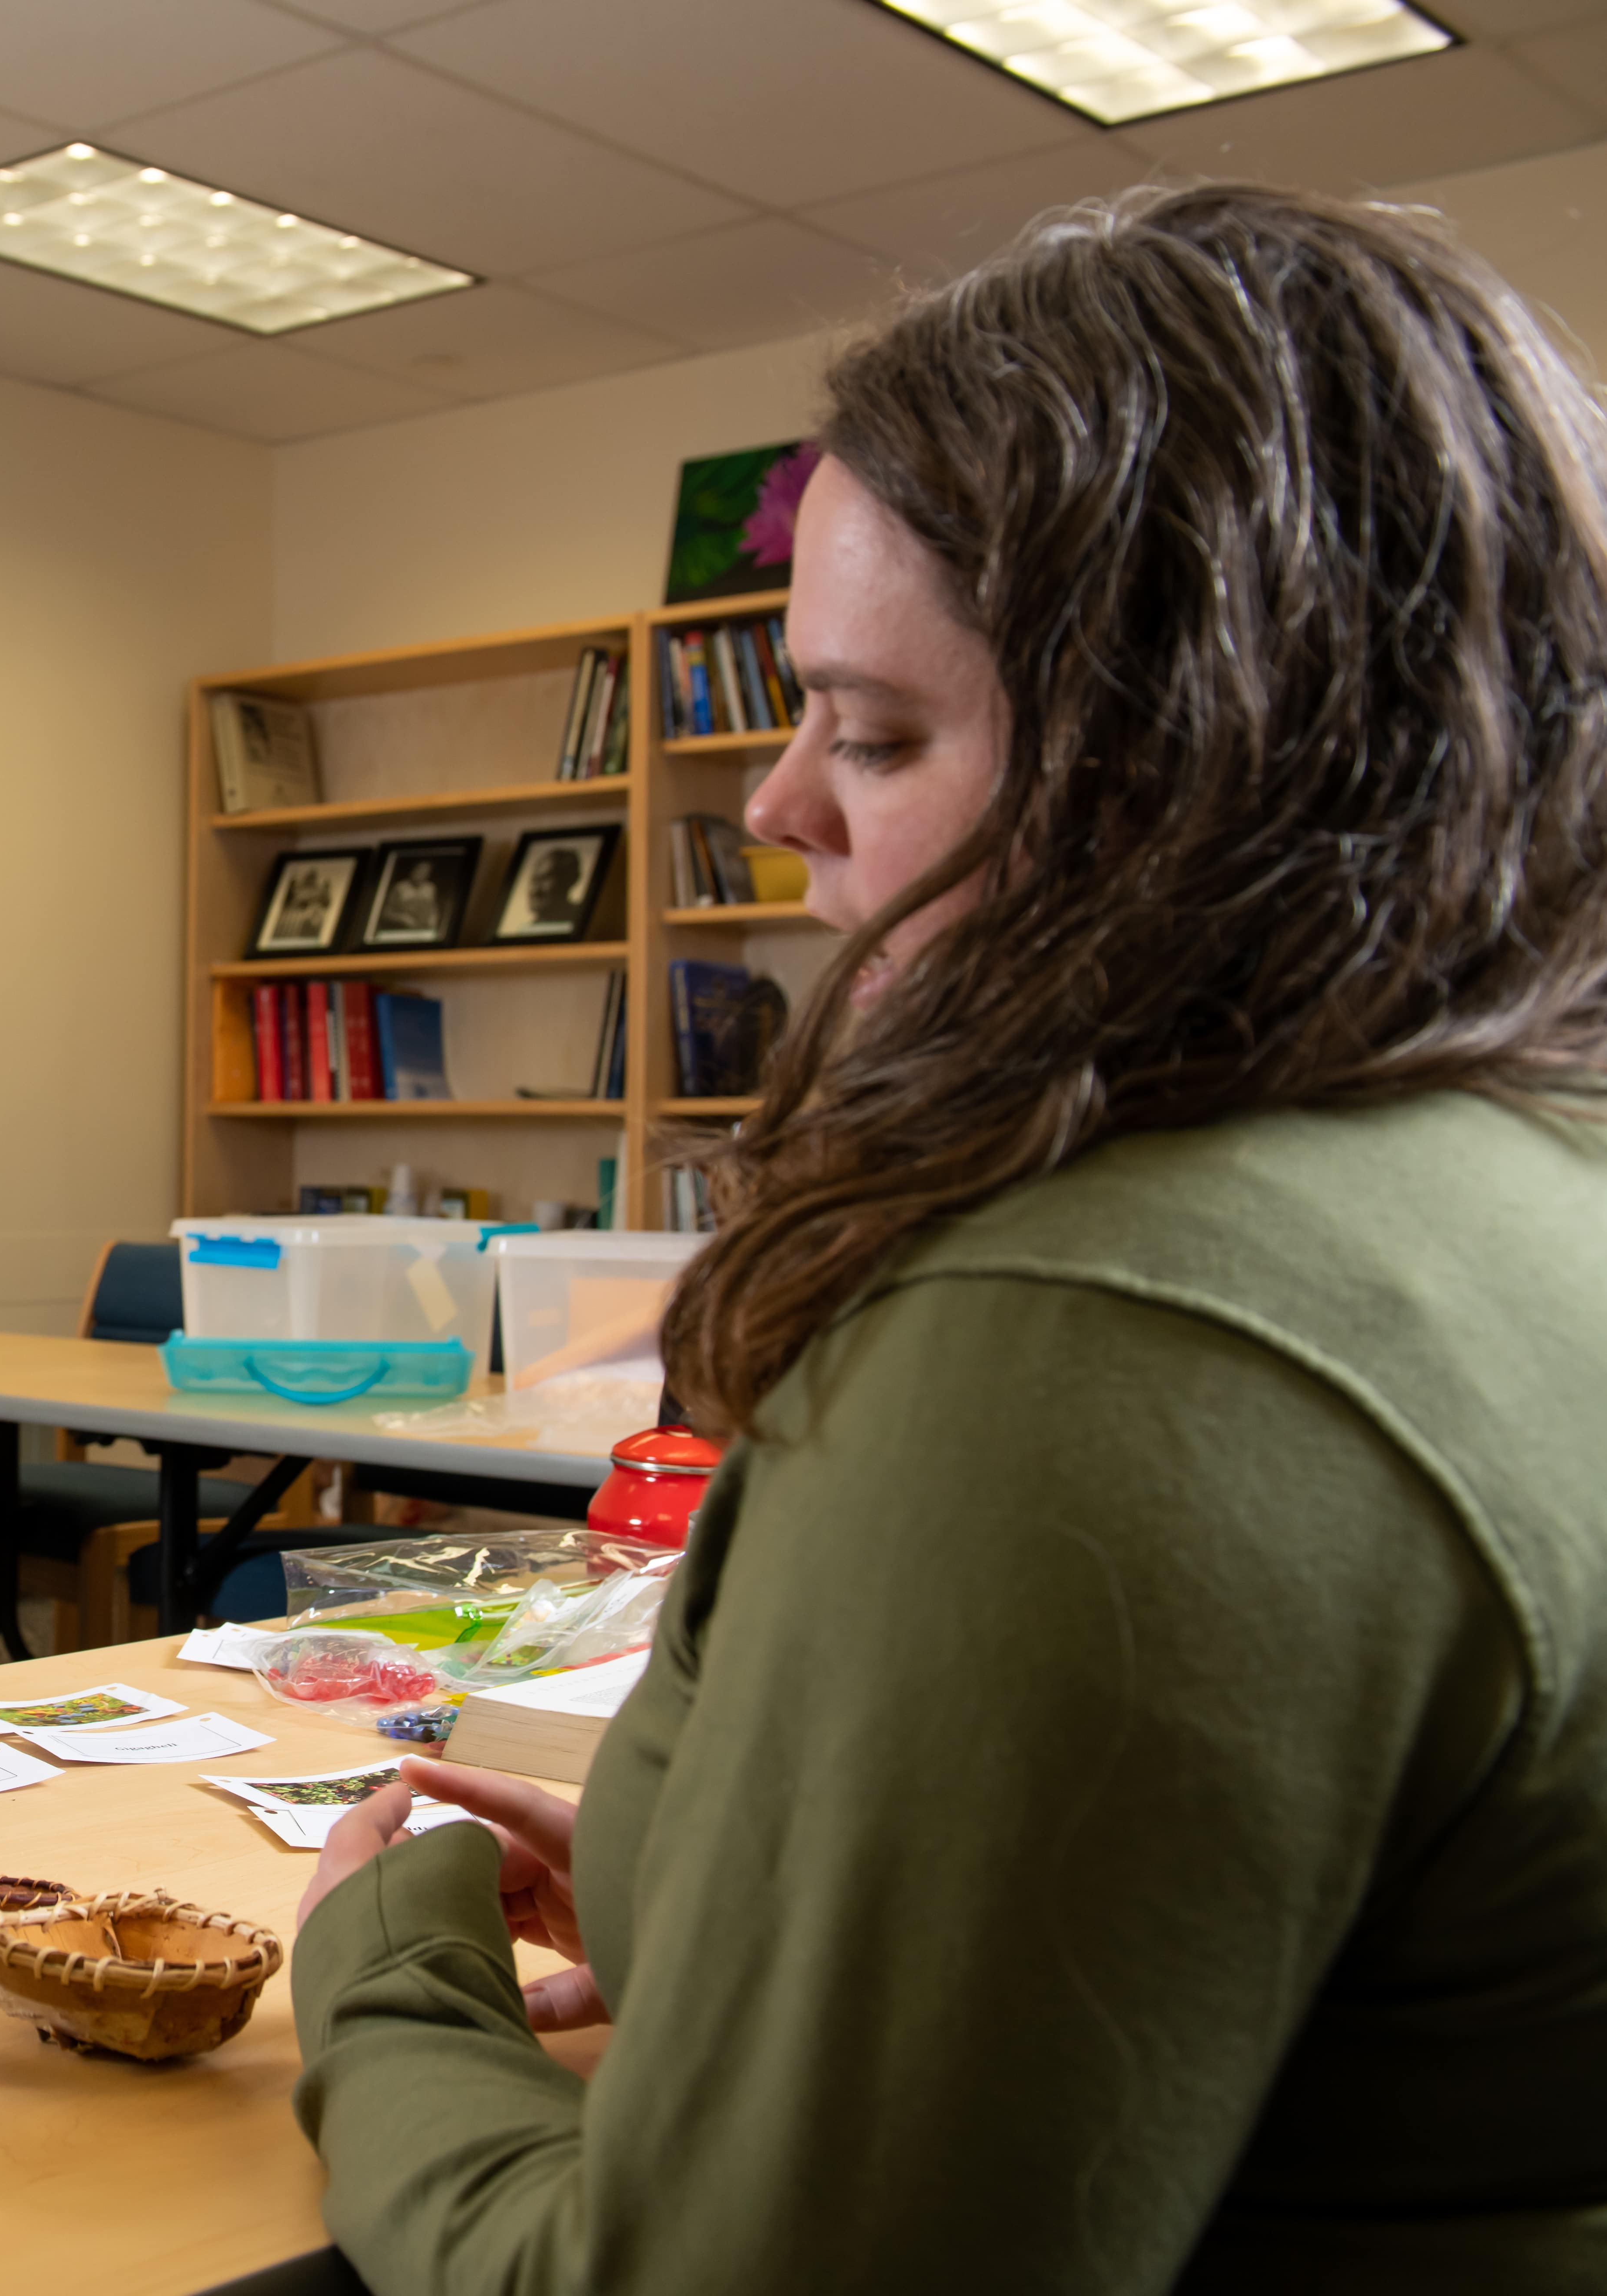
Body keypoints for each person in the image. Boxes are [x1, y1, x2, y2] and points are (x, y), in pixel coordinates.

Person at [288, 184, 1607, 2289]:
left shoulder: (1108, 1327)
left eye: (882, 732)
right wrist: (699, 1884)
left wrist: (383, 1979)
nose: (779, 804)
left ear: (1205, 769)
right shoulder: (1526, 1179)